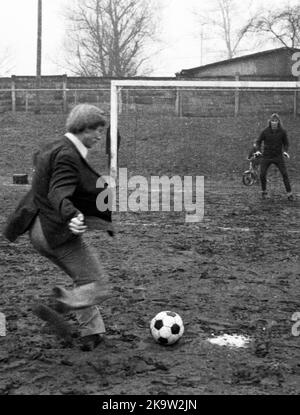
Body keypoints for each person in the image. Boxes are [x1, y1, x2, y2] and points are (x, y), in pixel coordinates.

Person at [3, 103, 115, 351]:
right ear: (82, 128)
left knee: (83, 278)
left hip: (37, 228)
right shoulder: (67, 155)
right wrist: (72, 214)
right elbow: (58, 193)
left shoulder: (53, 147)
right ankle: (57, 307)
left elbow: (47, 186)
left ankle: (92, 332)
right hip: (55, 231)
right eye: (97, 129)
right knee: (98, 286)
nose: (99, 135)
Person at [254, 113, 294, 200]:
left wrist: (285, 151)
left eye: (276, 121)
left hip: (278, 156)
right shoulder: (265, 131)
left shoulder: (283, 132)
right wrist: (257, 150)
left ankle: (289, 194)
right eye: (272, 121)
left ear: (278, 122)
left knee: (284, 174)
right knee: (262, 174)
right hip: (266, 156)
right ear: (270, 122)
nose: (274, 122)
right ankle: (264, 192)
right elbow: (258, 141)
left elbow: (286, 143)